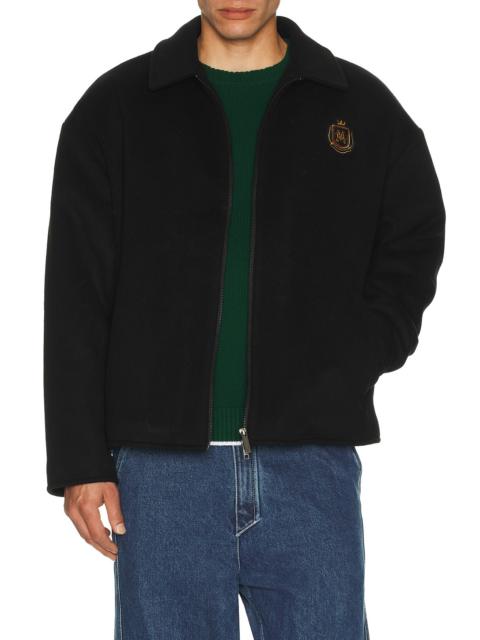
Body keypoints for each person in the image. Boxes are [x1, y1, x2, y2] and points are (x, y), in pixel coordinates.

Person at [43, 1, 445, 638]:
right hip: (160, 473)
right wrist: (78, 459)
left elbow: (414, 239)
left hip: (310, 462)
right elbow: (75, 291)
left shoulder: (360, 108)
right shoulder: (116, 108)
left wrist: (359, 352)